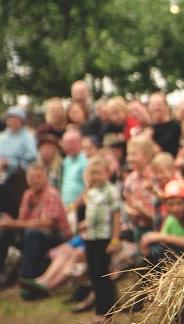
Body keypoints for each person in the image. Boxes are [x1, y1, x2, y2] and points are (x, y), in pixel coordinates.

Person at [0, 164, 70, 280]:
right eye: (31, 177)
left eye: (38, 177)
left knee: (32, 233)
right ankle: (2, 272)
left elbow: (47, 224)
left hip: (58, 236)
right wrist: (9, 222)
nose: (34, 180)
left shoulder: (51, 194)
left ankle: (27, 277)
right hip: (34, 233)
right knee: (5, 231)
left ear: (46, 178)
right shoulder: (28, 194)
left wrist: (14, 223)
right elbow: (22, 221)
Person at [79, 157, 121, 323]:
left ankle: (105, 313)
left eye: (98, 173)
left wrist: (115, 240)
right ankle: (103, 308)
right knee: (94, 274)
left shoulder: (110, 191)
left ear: (107, 173)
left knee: (102, 274)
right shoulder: (91, 191)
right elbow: (94, 213)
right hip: (91, 237)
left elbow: (116, 217)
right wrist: (85, 224)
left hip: (104, 238)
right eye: (92, 173)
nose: (95, 177)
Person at [139, 179, 184, 264]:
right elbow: (162, 247)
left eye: (179, 203)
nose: (175, 209)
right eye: (171, 204)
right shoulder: (170, 221)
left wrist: (160, 237)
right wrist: (147, 252)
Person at [0, 107, 37, 219]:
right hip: (3, 174)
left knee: (15, 205)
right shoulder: (3, 136)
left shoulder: (27, 137)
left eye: (16, 118)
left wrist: (11, 162)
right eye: (10, 118)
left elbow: (32, 156)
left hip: (19, 176)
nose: (12, 121)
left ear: (21, 120)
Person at [122, 136, 157, 247]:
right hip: (138, 228)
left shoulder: (156, 176)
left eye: (134, 154)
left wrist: (141, 210)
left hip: (157, 228)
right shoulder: (130, 179)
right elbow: (127, 202)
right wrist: (131, 210)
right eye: (128, 154)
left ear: (147, 156)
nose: (129, 158)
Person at [59, 129, 87, 208]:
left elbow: (88, 187)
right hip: (65, 205)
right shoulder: (65, 161)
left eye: (71, 143)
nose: (68, 146)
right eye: (65, 144)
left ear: (79, 143)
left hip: (80, 206)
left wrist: (75, 205)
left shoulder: (85, 161)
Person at [148, 92, 181, 157]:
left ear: (166, 107)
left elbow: (165, 155)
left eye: (159, 105)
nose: (155, 108)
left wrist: (149, 140)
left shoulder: (176, 127)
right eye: (152, 105)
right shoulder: (148, 129)